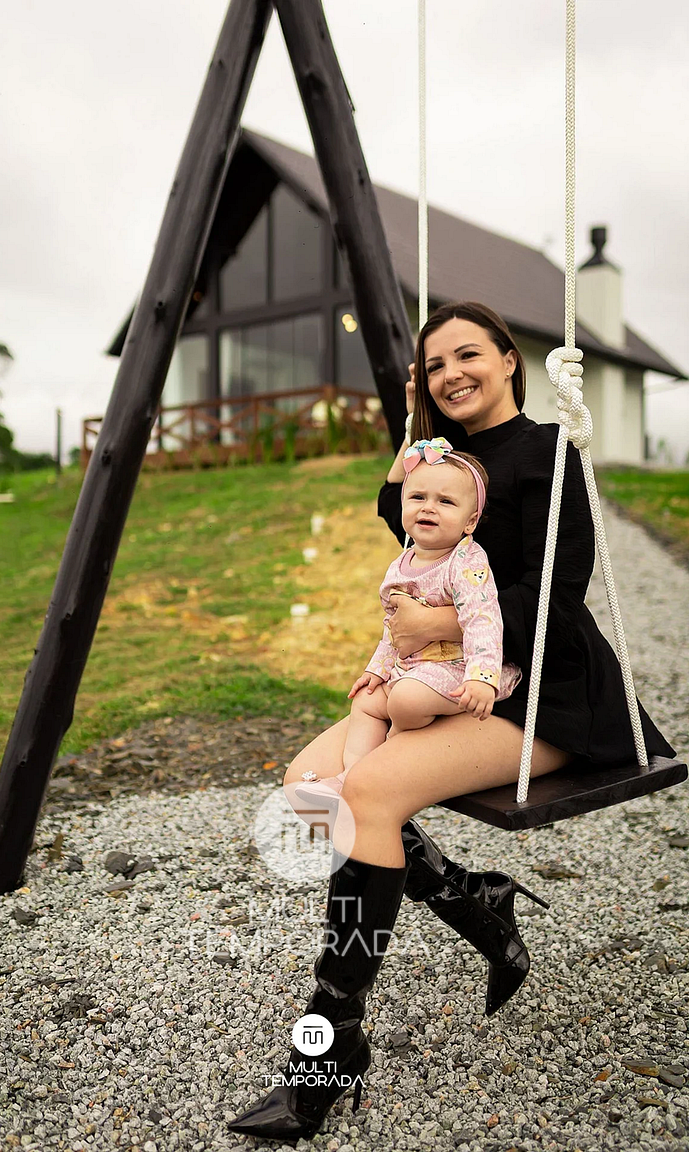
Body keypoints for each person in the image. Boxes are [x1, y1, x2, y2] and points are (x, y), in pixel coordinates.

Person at [228, 301, 676, 1142]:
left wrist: (438, 626)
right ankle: (476, 901)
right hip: (442, 681)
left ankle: (326, 1054)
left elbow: (561, 586)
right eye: (435, 365)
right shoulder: (443, 460)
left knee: (367, 793)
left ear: (511, 360)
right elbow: (396, 513)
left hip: (542, 689)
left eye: (468, 355)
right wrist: (415, 426)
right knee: (308, 786)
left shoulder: (549, 451)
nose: (452, 374)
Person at [294, 437, 522, 809]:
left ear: (471, 521)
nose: (428, 508)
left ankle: (381, 767)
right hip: (412, 666)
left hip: (457, 667)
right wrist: (377, 670)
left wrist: (482, 679)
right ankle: (349, 776)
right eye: (418, 498)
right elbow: (394, 630)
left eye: (445, 502)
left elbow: (484, 621)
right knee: (367, 701)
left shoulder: (466, 562)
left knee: (406, 700)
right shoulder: (401, 564)